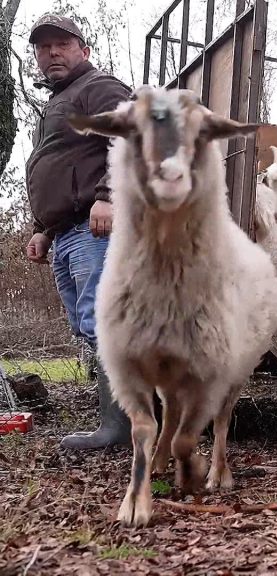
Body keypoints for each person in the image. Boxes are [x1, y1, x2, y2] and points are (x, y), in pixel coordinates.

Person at [24, 14, 133, 450]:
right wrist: (42, 230)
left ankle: (120, 428)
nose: (51, 53)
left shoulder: (98, 87)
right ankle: (125, 420)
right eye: (42, 47)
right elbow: (54, 166)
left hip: (97, 225)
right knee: (88, 325)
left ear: (83, 51)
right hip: (68, 232)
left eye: (61, 44)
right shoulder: (58, 101)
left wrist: (108, 194)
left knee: (105, 323)